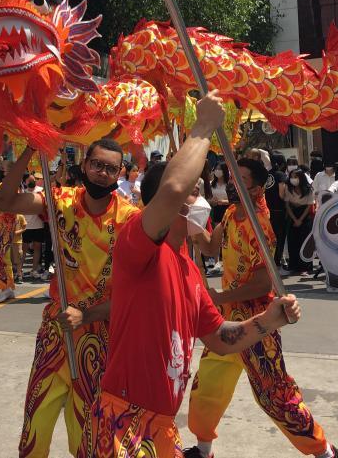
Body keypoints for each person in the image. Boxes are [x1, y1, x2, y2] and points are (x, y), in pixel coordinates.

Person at [79, 91, 302, 457]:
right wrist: (203, 127)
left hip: (164, 426)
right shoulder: (137, 243)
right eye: (194, 192)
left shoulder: (191, 271)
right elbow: (173, 187)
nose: (200, 197)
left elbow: (219, 337)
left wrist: (269, 319)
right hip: (124, 423)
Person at [0, 138, 140, 458]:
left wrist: (88, 315)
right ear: (85, 165)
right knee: (35, 429)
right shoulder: (61, 200)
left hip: (98, 339)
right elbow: (4, 201)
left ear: (120, 173)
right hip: (55, 333)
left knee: (88, 436)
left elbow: (138, 295)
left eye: (110, 168)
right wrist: (31, 149)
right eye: (97, 165)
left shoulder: (130, 220)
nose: (102, 173)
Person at [187, 159, 338, 458]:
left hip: (258, 324)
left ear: (258, 186)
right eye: (233, 177)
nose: (233, 183)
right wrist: (191, 217)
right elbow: (209, 247)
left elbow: (261, 285)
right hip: (226, 323)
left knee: (275, 396)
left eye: (242, 179)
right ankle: (203, 450)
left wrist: (221, 297)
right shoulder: (230, 213)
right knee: (207, 389)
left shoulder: (261, 225)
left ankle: (325, 452)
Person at [0, 185, 27, 303]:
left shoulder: (13, 186)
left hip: (6, 228)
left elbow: (11, 205)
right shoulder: (2, 184)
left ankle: (7, 288)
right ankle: (6, 288)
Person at [284, 167, 315, 276]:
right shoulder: (288, 188)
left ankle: (305, 267)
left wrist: (300, 219)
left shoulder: (309, 189)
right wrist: (295, 219)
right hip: (293, 215)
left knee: (305, 241)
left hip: (305, 216)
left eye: (295, 177)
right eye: (291, 177)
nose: (293, 179)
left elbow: (309, 206)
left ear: (301, 178)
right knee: (293, 241)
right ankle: (293, 266)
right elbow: (287, 205)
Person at [266, 153, 289, 271]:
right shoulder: (280, 175)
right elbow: (282, 194)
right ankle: (277, 262)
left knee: (270, 237)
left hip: (268, 210)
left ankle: (271, 261)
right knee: (280, 238)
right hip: (280, 211)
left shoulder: (267, 175)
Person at [22, 176, 48, 280]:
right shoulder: (23, 193)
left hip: (39, 224)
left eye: (33, 179)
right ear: (25, 182)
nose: (31, 181)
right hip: (26, 225)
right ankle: (20, 270)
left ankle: (34, 270)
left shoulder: (41, 191)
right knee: (24, 248)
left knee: (37, 247)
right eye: (28, 180)